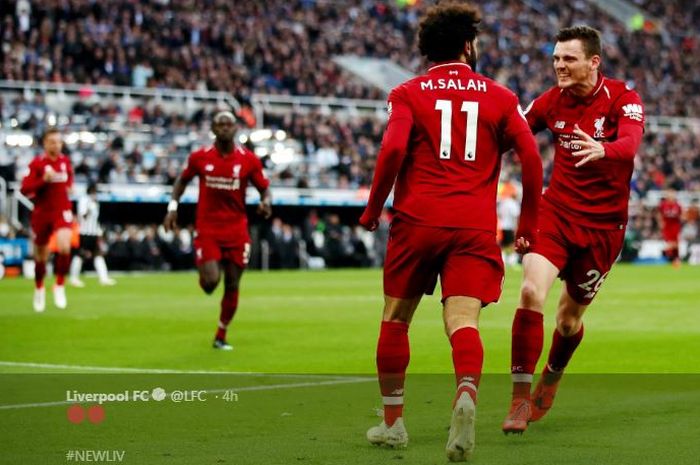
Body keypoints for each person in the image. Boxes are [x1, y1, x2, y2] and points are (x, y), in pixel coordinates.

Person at [358, 3, 543, 461]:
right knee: (462, 321)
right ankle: (465, 393)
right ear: (467, 45)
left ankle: (393, 424)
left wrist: (372, 209)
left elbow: (394, 148)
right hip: (473, 227)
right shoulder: (499, 96)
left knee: (396, 318)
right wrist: (527, 224)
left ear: (426, 51)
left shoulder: (406, 92)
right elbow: (533, 159)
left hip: (417, 223)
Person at [502, 26, 645, 434]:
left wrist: (606, 149)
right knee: (531, 291)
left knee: (567, 321)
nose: (559, 66)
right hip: (557, 214)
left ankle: (553, 372)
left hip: (604, 228)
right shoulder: (552, 101)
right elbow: (514, 130)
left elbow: (631, 145)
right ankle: (518, 399)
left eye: (568, 59)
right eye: (556, 58)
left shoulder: (623, 99)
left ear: (593, 62)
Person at [163, 110, 271, 350]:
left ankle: (221, 334)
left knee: (232, 284)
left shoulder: (248, 160)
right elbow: (182, 181)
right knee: (211, 282)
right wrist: (173, 207)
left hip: (236, 231)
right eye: (219, 124)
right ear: (213, 128)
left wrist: (266, 202)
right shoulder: (199, 157)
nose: (224, 128)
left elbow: (264, 188)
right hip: (208, 228)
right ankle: (205, 272)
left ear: (235, 129)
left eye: (228, 124)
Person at [20, 127, 74, 311]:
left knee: (65, 246)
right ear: (45, 143)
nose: (56, 145)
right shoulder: (37, 164)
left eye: (59, 142)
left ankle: (59, 285)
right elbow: (25, 189)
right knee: (40, 256)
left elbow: (69, 179)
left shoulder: (65, 161)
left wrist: (68, 186)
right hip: (42, 212)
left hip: (61, 209)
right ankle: (39, 288)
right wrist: (44, 180)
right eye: (52, 142)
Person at [69, 182, 116, 287]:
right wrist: (90, 207)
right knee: (80, 255)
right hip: (85, 232)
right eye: (95, 191)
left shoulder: (96, 202)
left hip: (93, 233)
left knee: (98, 254)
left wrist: (99, 232)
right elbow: (83, 216)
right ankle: (73, 278)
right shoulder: (84, 200)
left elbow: (95, 220)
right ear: (91, 191)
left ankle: (103, 278)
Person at [657, 190, 683, 267]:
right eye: (670, 195)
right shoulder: (663, 205)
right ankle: (673, 258)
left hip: (675, 226)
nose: (671, 196)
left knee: (675, 243)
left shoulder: (678, 205)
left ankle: (675, 259)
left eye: (673, 195)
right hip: (667, 227)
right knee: (671, 242)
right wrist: (660, 222)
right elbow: (659, 214)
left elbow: (681, 215)